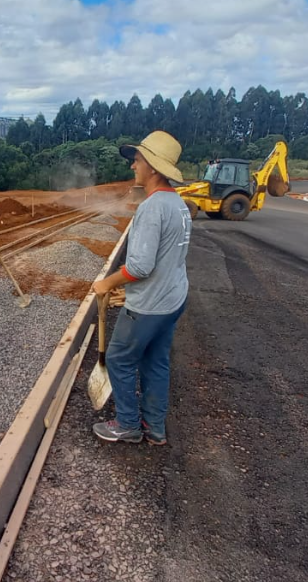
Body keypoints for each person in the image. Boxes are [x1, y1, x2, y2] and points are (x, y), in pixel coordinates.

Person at [91, 131, 192, 445]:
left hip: (149, 305)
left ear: (154, 168)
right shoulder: (179, 204)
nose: (133, 166)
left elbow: (139, 267)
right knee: (156, 362)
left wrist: (107, 282)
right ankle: (155, 428)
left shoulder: (152, 208)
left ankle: (129, 425)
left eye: (138, 160)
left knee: (120, 359)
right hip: (174, 297)